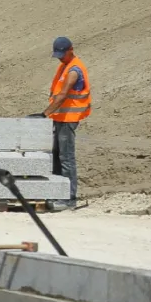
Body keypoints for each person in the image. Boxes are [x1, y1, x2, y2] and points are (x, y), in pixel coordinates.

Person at [40, 36, 90, 211]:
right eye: (58, 54)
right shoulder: (64, 66)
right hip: (60, 118)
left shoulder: (74, 69)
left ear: (71, 49)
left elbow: (62, 96)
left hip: (69, 119)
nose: (60, 57)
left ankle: (69, 199)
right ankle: (56, 193)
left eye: (62, 54)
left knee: (66, 158)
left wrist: (44, 114)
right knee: (55, 156)